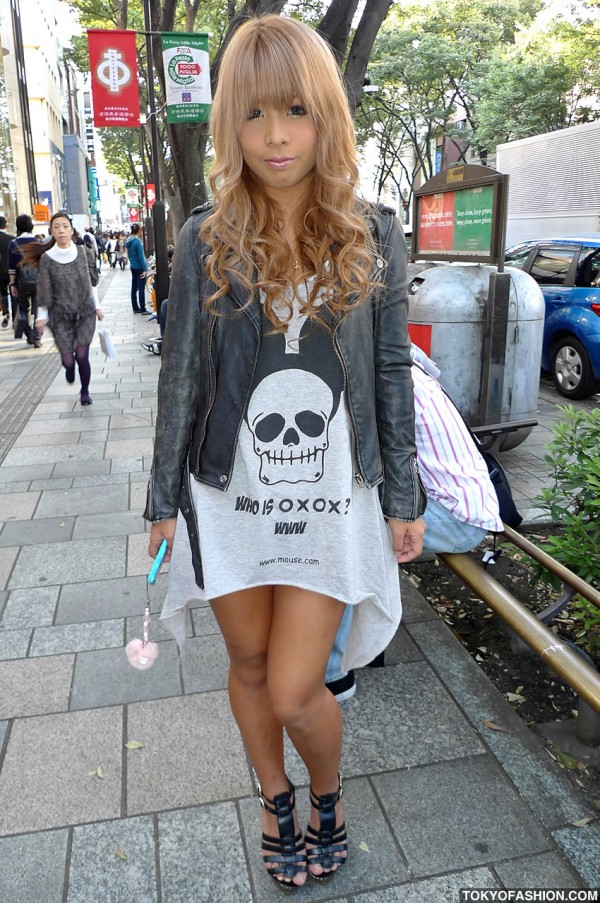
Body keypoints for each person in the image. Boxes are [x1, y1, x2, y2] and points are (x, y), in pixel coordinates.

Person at [145, 15, 425, 892]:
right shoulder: (204, 237)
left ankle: (328, 794)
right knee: (252, 667)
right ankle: (275, 799)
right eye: (256, 114)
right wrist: (160, 503)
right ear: (231, 120)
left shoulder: (371, 230)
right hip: (226, 489)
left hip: (332, 493)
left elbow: (389, 369)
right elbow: (182, 375)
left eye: (297, 111)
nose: (276, 136)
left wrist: (403, 494)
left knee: (301, 686)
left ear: (326, 117)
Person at [325, 346, 504, 701]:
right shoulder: (399, 361)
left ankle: (333, 675)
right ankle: (365, 646)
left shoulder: (387, 379)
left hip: (456, 515)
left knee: (344, 529)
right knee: (346, 515)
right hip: (459, 501)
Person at [25, 210, 104, 405]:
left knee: (83, 354)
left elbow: (91, 283)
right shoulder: (47, 258)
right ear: (51, 231)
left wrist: (97, 306)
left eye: (65, 226)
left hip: (85, 312)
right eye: (56, 227)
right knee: (69, 360)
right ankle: (69, 367)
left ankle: (84, 391)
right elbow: (44, 288)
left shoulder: (84, 253)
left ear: (71, 230)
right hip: (59, 316)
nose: (61, 231)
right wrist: (41, 317)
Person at [8, 214, 41, 347]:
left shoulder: (13, 244)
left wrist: (12, 284)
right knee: (38, 308)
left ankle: (28, 334)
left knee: (22, 309)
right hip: (38, 281)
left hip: (21, 282)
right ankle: (37, 336)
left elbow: (11, 268)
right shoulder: (39, 243)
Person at [124, 224, 148, 313]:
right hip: (139, 266)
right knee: (141, 288)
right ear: (138, 231)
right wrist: (145, 269)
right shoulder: (137, 241)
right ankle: (143, 308)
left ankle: (135, 307)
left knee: (134, 287)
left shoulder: (128, 240)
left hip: (133, 266)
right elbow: (141, 256)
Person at [0, 215, 15, 328]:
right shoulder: (11, 239)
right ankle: (15, 318)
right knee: (14, 293)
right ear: (5, 225)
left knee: (2, 293)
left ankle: (5, 312)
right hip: (10, 270)